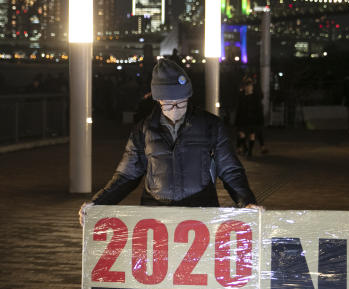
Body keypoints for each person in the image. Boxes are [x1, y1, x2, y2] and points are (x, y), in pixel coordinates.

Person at [79, 59, 258, 223]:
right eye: (168, 104)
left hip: (201, 212)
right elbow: (127, 175)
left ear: (188, 97)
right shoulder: (143, 130)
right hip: (156, 216)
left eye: (181, 103)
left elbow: (230, 169)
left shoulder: (211, 125)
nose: (175, 109)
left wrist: (247, 202)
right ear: (158, 100)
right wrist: (98, 203)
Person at [235, 76, 266, 157]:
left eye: (249, 86)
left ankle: (249, 151)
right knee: (242, 134)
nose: (248, 87)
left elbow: (258, 108)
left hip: (253, 118)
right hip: (243, 117)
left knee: (252, 134)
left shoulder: (255, 96)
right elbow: (239, 108)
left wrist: (259, 118)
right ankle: (245, 148)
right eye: (247, 86)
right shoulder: (242, 96)